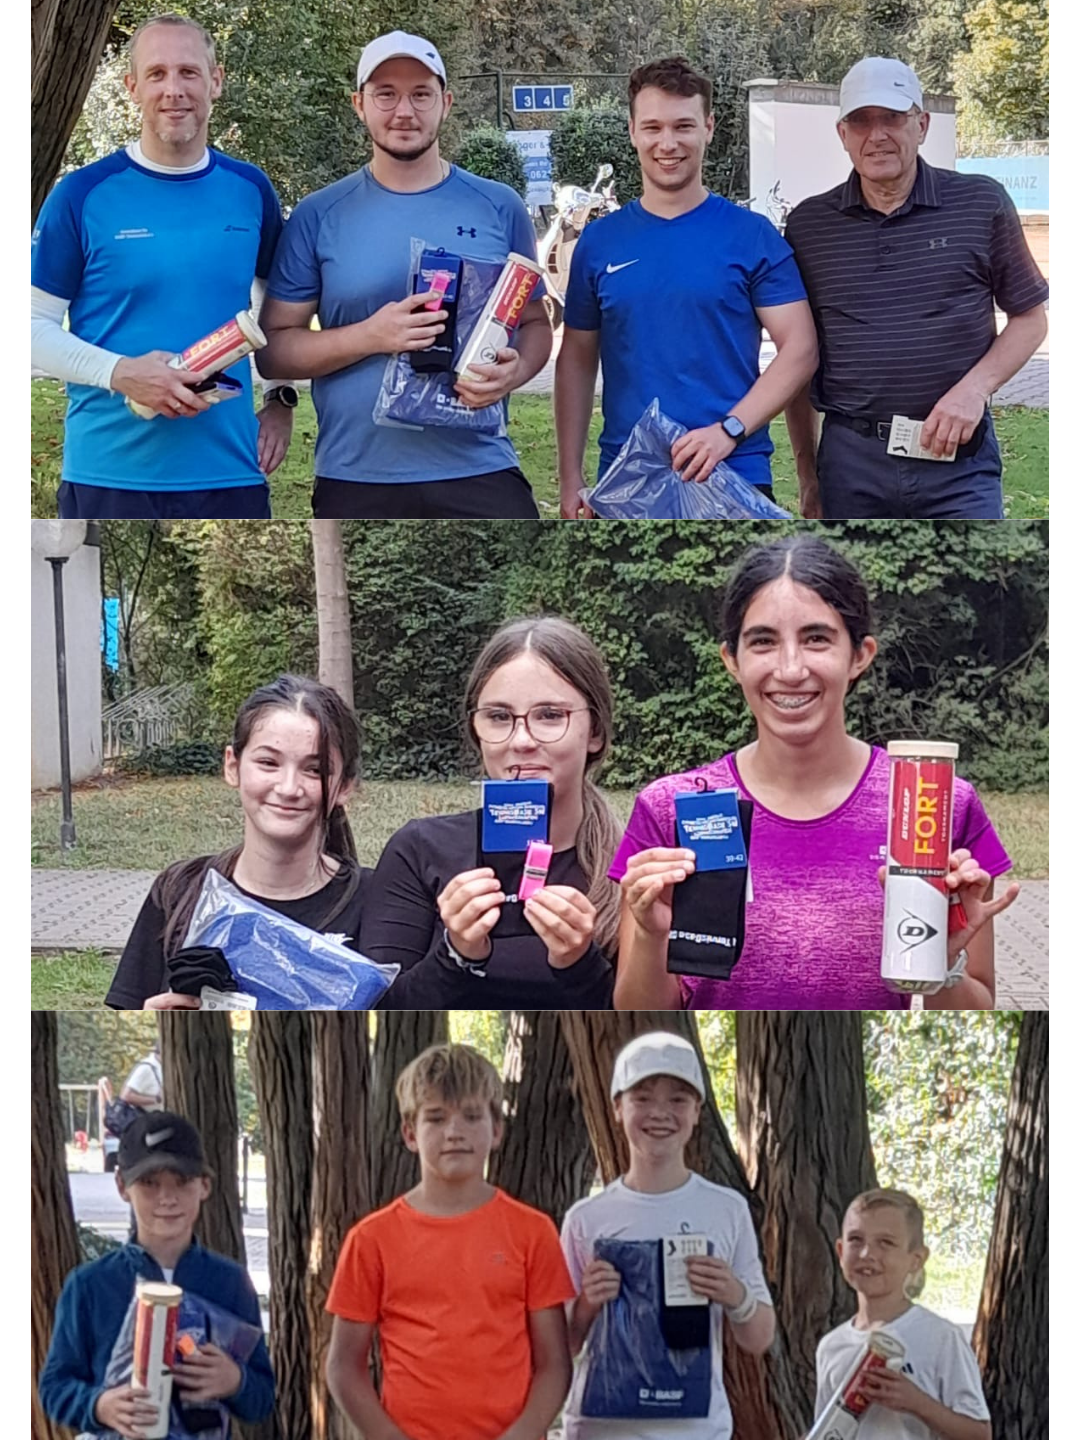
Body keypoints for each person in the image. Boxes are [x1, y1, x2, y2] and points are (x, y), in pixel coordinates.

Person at [610, 535, 1020, 1011]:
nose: (790, 669)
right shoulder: (670, 809)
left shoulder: (933, 802)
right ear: (731, 660)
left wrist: (940, 966)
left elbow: (978, 1002)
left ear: (860, 655)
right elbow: (638, 1012)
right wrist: (648, 934)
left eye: (816, 639)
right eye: (762, 641)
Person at [258, 31, 552, 519]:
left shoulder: (499, 207)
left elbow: (536, 324)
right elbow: (273, 351)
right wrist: (371, 336)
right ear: (359, 104)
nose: (404, 111)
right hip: (356, 473)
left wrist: (515, 371)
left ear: (446, 102)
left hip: (478, 465)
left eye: (421, 94)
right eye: (385, 94)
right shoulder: (320, 215)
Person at [30, 12, 296, 520]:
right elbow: (28, 327)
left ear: (215, 82)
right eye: (156, 74)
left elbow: (277, 309)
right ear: (132, 87)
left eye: (188, 72)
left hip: (232, 472)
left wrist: (280, 397)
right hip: (108, 475)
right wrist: (122, 373)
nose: (173, 90)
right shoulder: (82, 195)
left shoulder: (250, 190)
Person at [784, 57, 1049, 520]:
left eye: (893, 118)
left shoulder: (980, 202)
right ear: (843, 134)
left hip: (958, 463)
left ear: (921, 125)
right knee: (852, 591)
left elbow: (1030, 319)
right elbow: (797, 356)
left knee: (975, 589)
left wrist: (974, 390)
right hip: (851, 465)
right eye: (861, 121)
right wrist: (808, 475)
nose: (877, 134)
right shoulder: (810, 226)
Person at [555, 56, 818, 517]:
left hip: (735, 472)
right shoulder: (599, 243)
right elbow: (576, 359)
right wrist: (570, 477)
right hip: (627, 481)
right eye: (653, 127)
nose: (668, 143)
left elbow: (800, 349)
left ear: (709, 127)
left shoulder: (752, 235)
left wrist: (729, 430)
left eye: (683, 126)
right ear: (633, 131)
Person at [360, 616, 620, 1007]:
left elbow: (646, 1019)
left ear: (596, 732)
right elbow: (374, 1009)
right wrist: (457, 953)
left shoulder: (627, 866)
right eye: (499, 717)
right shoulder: (418, 851)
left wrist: (580, 965)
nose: (521, 740)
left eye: (550, 715)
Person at [325, 1042, 574, 1440]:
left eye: (471, 1116)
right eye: (436, 1118)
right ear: (410, 1133)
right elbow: (343, 1366)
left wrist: (523, 1433)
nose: (454, 1132)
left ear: (496, 1130)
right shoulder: (371, 1239)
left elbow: (554, 1364)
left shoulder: (533, 1231)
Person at [561, 1032, 775, 1440]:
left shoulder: (726, 1209)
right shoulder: (586, 1219)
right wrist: (588, 1303)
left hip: (695, 1429)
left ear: (697, 1111)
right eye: (642, 1097)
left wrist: (735, 1294)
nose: (660, 1112)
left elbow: (759, 1337)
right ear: (617, 1108)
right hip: (601, 1430)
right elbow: (561, 1344)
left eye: (678, 1099)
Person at [105, 675, 366, 1009]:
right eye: (268, 763)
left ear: (344, 786)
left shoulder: (375, 901)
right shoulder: (180, 890)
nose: (288, 787)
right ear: (233, 766)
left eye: (315, 770)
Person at [38, 1111, 275, 1438]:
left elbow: (262, 1397)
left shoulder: (230, 1282)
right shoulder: (89, 1285)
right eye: (149, 1183)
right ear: (122, 1186)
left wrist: (236, 1381)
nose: (167, 1198)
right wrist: (98, 1405)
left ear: (204, 1185)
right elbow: (54, 1387)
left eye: (182, 1181)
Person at [815, 1189, 991, 1439]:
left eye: (885, 1243)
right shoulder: (831, 1346)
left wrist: (916, 1402)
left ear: (916, 1259)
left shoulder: (941, 1338)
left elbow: (979, 1433)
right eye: (856, 1240)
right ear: (841, 1251)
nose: (867, 1254)